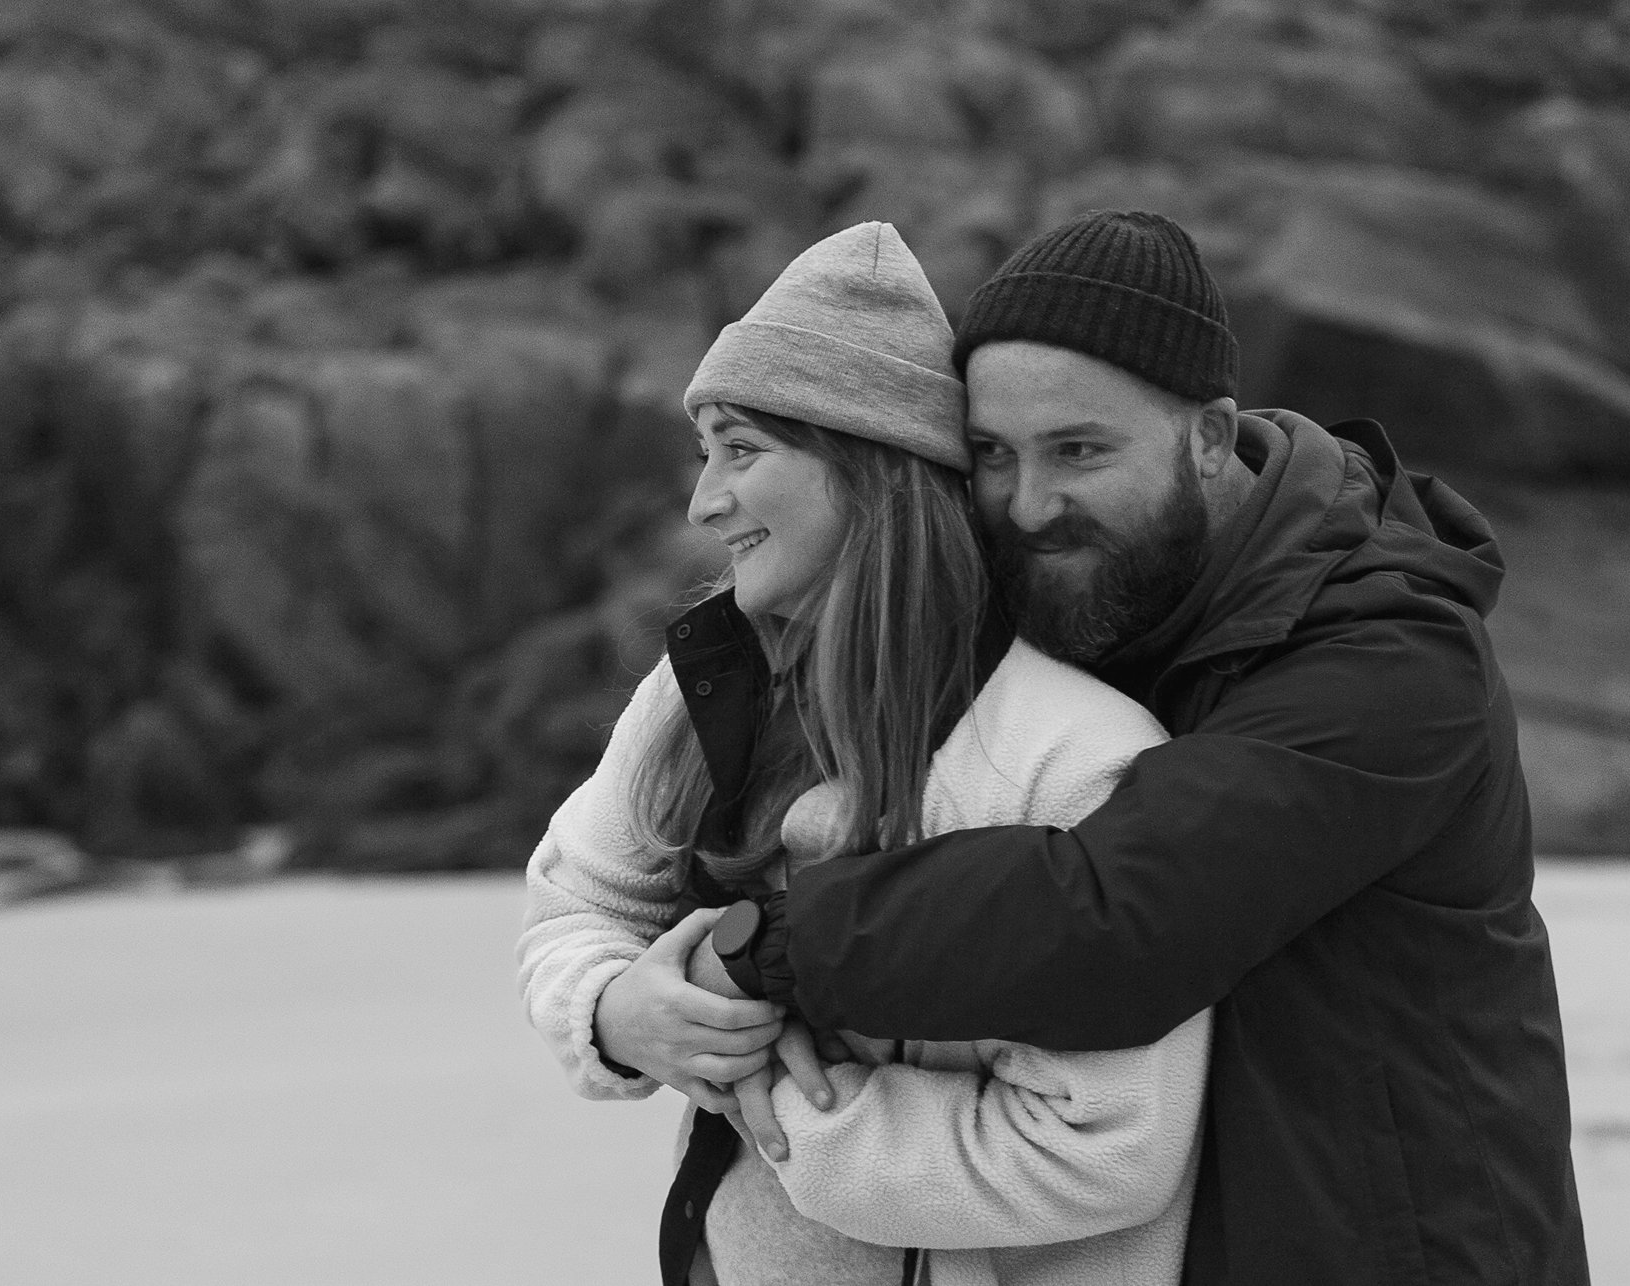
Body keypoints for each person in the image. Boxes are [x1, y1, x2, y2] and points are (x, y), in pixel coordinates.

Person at [712, 210, 1591, 1284]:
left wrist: (766, 946)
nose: (1031, 505)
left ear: (1209, 437)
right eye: (992, 456)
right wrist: (616, 1000)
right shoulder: (1087, 596)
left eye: (1080, 449)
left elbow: (1116, 915)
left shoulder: (1391, 657)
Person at [517, 221, 1212, 1286]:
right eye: (705, 452)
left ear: (869, 464)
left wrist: (772, 1098)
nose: (704, 501)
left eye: (742, 450)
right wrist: (619, 1013)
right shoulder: (695, 691)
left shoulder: (1075, 761)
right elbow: (576, 905)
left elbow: (1102, 1149)